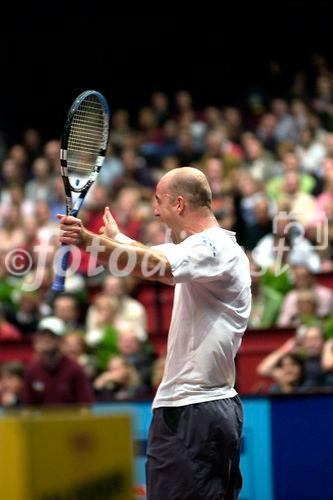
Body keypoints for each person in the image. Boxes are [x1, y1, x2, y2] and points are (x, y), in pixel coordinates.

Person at [57, 166, 252, 499]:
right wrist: (115, 240)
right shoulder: (208, 248)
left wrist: (90, 241)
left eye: (158, 202)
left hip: (193, 411)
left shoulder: (213, 247)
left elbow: (155, 266)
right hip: (205, 408)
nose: (156, 212)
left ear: (179, 204)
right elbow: (156, 257)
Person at [21, 316, 94, 407]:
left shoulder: (75, 369)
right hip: (41, 421)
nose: (46, 339)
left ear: (61, 340)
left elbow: (85, 405)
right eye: (42, 335)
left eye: (51, 335)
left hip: (70, 420)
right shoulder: (32, 370)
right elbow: (27, 407)